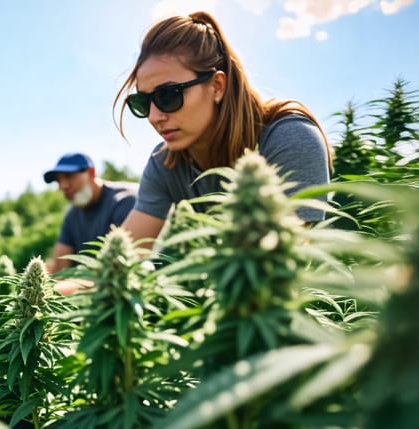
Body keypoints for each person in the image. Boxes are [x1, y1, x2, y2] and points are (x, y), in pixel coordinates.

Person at [114, 11, 331, 247]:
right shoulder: (165, 163)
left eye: (168, 96)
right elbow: (126, 256)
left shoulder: (289, 138)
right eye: (143, 103)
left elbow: (279, 264)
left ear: (217, 87)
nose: (154, 117)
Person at [43, 152, 137, 274]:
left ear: (91, 173)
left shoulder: (125, 201)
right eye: (58, 181)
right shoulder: (72, 216)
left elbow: (119, 268)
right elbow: (59, 269)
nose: (63, 186)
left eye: (68, 176)